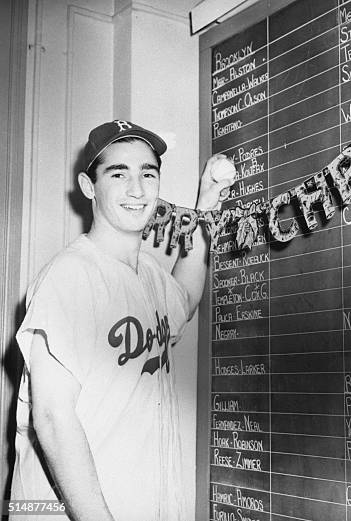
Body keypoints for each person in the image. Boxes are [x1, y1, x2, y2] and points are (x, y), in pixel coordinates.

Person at [10, 120, 235, 521]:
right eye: (119, 174)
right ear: (88, 185)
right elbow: (52, 417)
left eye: (148, 174)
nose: (137, 189)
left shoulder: (147, 273)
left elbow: (184, 297)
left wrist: (206, 205)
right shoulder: (70, 276)